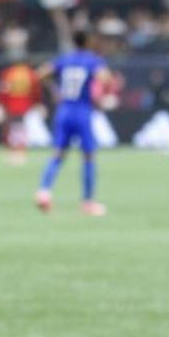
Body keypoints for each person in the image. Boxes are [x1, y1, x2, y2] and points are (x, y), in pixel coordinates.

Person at [35, 30, 111, 217]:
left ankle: (44, 191)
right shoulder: (93, 60)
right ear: (89, 41)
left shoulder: (64, 59)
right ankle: (88, 202)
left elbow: (40, 74)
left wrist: (54, 90)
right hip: (82, 112)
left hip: (64, 110)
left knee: (57, 154)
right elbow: (105, 77)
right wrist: (99, 94)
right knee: (88, 156)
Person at [0, 62, 40, 165]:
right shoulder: (29, 73)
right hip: (24, 104)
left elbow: (3, 89)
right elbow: (35, 90)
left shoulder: (8, 72)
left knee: (12, 128)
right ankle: (20, 150)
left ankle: (13, 150)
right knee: (20, 127)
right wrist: (36, 102)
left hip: (11, 104)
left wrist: (1, 103)